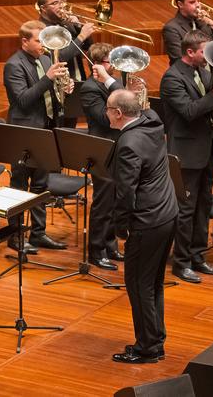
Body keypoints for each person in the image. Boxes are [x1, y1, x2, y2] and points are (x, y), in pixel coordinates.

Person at [160, 30, 213, 283]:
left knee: (202, 207)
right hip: (185, 154)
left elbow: (210, 112)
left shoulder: (204, 73)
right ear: (190, 52)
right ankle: (180, 263)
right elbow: (189, 111)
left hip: (206, 152)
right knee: (185, 211)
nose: (208, 56)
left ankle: (197, 256)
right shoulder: (172, 78)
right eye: (205, 51)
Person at [107, 89, 178, 364]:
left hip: (147, 221)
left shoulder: (128, 144)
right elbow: (144, 106)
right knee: (153, 283)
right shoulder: (153, 121)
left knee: (138, 284)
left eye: (108, 108)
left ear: (118, 113)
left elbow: (126, 192)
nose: (105, 113)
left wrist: (120, 228)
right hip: (167, 214)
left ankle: (147, 347)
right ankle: (155, 339)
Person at [3, 20, 71, 252]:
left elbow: (50, 93)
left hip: (45, 129)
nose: (43, 44)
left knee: (41, 184)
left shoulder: (44, 60)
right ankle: (16, 236)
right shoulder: (13, 65)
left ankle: (38, 233)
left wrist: (64, 86)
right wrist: (48, 79)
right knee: (20, 185)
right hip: (24, 131)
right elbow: (23, 100)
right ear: (24, 41)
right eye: (37, 40)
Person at [79, 42, 125, 270]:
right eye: (110, 62)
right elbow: (105, 119)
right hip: (101, 150)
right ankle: (96, 250)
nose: (114, 66)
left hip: (119, 148)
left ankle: (111, 245)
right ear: (98, 65)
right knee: (103, 202)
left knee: (116, 201)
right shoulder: (89, 88)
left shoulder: (113, 84)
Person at [37, 0, 94, 128]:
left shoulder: (66, 23)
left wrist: (79, 27)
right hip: (59, 87)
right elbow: (59, 56)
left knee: (71, 128)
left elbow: (87, 47)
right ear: (43, 8)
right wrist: (81, 36)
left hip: (77, 81)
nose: (61, 6)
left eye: (61, 2)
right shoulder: (42, 29)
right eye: (55, 3)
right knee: (60, 128)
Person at [163, 0, 213, 65]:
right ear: (180, 4)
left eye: (198, 1)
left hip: (210, 72)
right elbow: (180, 60)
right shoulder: (171, 28)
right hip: (188, 75)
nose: (198, 5)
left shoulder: (203, 22)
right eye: (192, 2)